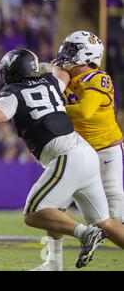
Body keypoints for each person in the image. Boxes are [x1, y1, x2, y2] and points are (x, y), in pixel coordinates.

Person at [0, 48, 124, 269]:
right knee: (101, 221)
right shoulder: (51, 83)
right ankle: (54, 263)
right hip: (86, 154)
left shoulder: (13, 93)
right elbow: (62, 73)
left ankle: (85, 234)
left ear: (12, 72)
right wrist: (48, 67)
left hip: (67, 156)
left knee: (33, 212)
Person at [31, 31, 124, 270]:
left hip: (105, 153)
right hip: (77, 152)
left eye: (72, 50)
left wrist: (52, 106)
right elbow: (39, 67)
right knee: (54, 205)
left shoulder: (98, 78)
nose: (65, 55)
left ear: (87, 55)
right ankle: (53, 262)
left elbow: (84, 111)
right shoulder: (62, 71)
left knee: (112, 220)